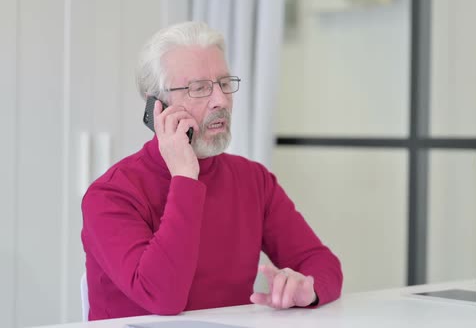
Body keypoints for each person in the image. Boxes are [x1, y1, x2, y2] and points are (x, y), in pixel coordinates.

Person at [80, 21, 343, 320]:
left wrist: (307, 288)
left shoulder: (253, 180)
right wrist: (184, 178)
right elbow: (163, 298)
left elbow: (322, 264)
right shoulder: (112, 194)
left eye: (224, 83)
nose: (220, 101)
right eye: (199, 88)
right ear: (157, 108)